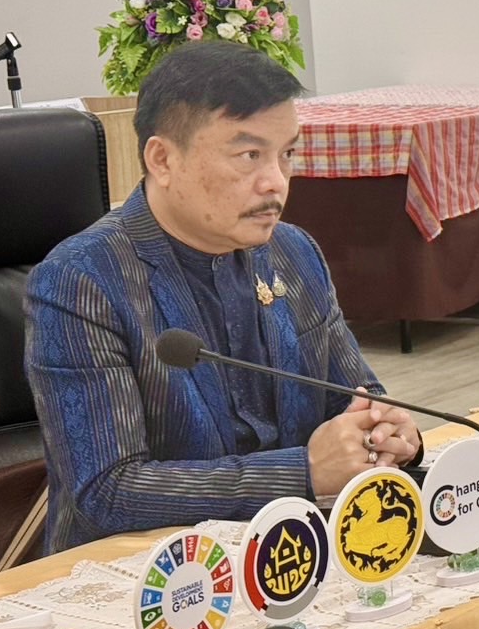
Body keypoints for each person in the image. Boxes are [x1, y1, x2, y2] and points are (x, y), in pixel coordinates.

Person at [25, 41, 422, 552]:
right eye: (249, 155)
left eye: (286, 154)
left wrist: (387, 433)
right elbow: (107, 491)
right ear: (162, 159)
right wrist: (301, 471)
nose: (275, 182)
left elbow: (354, 396)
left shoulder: (293, 251)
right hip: (147, 572)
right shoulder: (81, 280)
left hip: (291, 551)